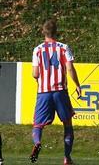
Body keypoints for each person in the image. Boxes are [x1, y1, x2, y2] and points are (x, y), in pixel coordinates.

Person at [30, 19, 81, 165]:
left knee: (38, 124)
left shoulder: (37, 49)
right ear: (56, 32)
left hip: (44, 92)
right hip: (60, 91)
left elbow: (35, 73)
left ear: (43, 32)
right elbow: (70, 68)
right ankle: (67, 157)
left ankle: (38, 142)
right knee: (67, 123)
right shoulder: (64, 48)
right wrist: (77, 85)